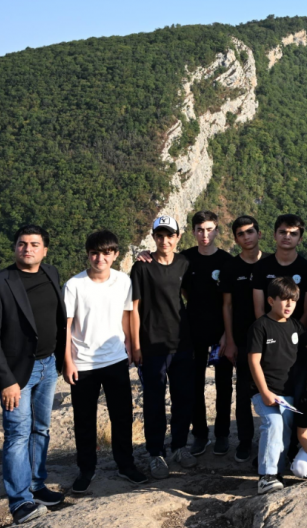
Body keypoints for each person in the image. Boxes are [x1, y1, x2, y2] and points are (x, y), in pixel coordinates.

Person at [0, 225, 67, 524]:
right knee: (17, 434)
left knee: (40, 428)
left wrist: (60, 360)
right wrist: (6, 381)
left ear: (45, 249)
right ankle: (19, 502)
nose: (27, 249)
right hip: (17, 374)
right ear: (15, 247)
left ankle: (36, 486)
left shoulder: (51, 274)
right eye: (22, 244)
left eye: (34, 244)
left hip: (47, 365)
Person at [63, 230, 147, 494]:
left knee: (122, 416)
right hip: (83, 363)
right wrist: (67, 361)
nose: (100, 258)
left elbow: (126, 316)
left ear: (115, 255)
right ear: (88, 254)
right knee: (84, 420)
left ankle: (126, 464)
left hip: (115, 359)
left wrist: (132, 347)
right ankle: (86, 469)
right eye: (95, 253)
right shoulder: (74, 285)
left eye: (106, 253)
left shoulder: (123, 282)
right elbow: (65, 327)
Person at [248, 277, 307, 494]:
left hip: (289, 394)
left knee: (284, 430)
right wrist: (264, 392)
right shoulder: (260, 326)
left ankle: (278, 471)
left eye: (293, 300)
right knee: (273, 424)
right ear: (271, 301)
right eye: (284, 300)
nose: (289, 305)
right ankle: (267, 476)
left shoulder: (296, 326)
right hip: (265, 392)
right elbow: (253, 361)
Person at [130, 216, 196, 479]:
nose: (165, 241)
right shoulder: (142, 267)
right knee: (154, 401)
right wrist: (135, 345)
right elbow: (133, 308)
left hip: (182, 342)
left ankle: (179, 446)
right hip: (152, 344)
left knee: (183, 398)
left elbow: (189, 297)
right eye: (160, 236)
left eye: (170, 236)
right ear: (153, 237)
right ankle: (156, 453)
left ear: (178, 237)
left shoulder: (184, 263)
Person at [180, 211, 233, 457]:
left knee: (223, 385)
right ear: (193, 231)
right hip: (193, 332)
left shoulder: (226, 261)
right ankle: (200, 434)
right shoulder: (185, 259)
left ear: (217, 231)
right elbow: (182, 291)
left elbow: (229, 302)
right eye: (200, 229)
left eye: (209, 229)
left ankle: (221, 434)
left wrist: (226, 334)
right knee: (194, 385)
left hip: (220, 333)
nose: (204, 234)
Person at [218, 215, 263, 462]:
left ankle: (273, 442)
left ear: (259, 234)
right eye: (241, 234)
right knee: (244, 392)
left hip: (271, 340)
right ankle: (245, 442)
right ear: (235, 239)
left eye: (250, 232)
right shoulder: (231, 268)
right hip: (244, 339)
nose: (246, 237)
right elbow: (226, 306)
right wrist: (231, 340)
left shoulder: (270, 263)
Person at [251, 214, 307, 326]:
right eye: (282, 232)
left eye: (293, 234)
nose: (287, 237)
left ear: (300, 239)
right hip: (268, 333)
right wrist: (271, 333)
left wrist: (294, 335)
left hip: (297, 335)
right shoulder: (261, 267)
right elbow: (259, 309)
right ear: (275, 235)